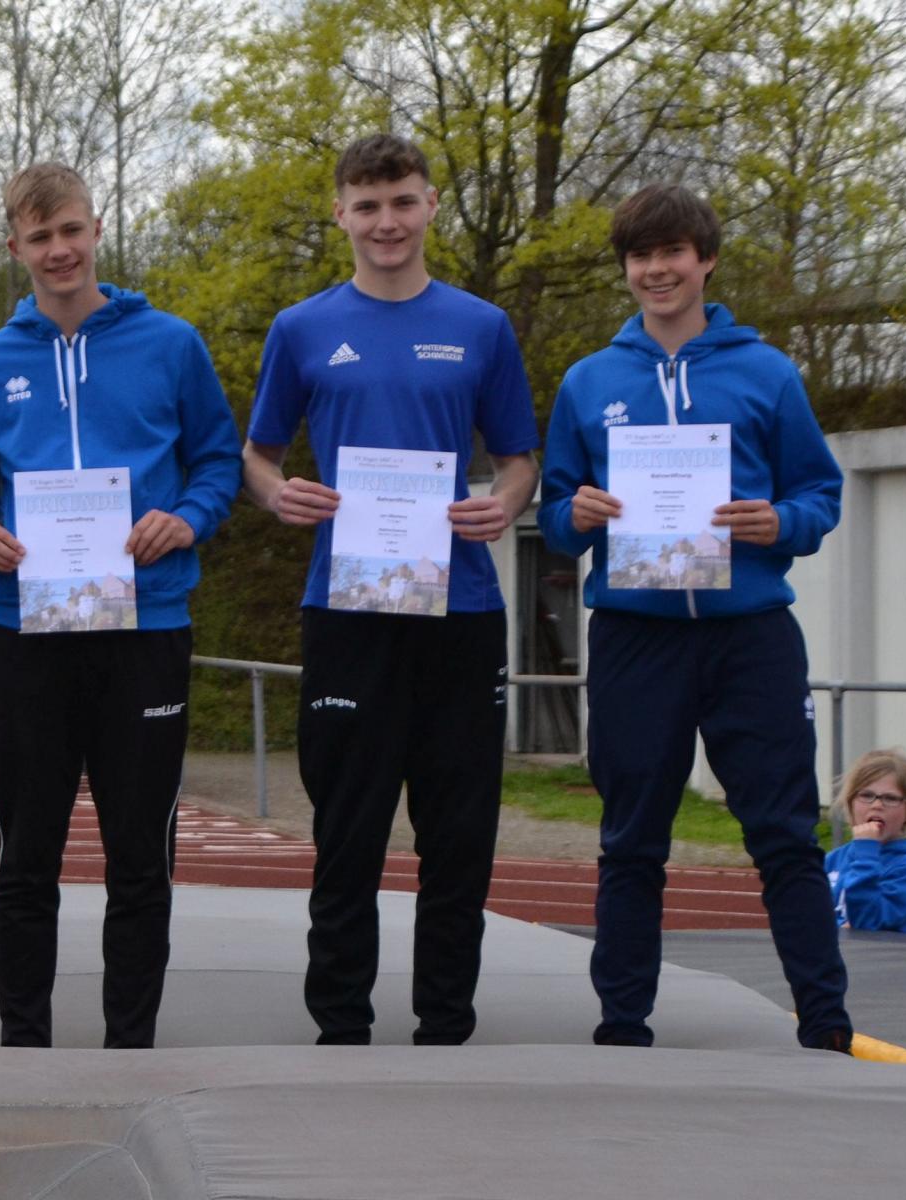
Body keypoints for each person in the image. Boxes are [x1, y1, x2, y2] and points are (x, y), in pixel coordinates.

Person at [539, 182, 853, 1050]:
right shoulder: (589, 381)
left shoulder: (767, 372)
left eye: (672, 252)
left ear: (705, 260)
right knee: (631, 838)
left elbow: (819, 494)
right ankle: (622, 1025)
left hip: (751, 637)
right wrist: (576, 515)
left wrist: (779, 522)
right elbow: (557, 513)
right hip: (636, 638)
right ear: (626, 269)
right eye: (640, 256)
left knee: (784, 834)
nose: (657, 270)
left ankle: (826, 1024)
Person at [241, 133, 539, 1047]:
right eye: (368, 206)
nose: (387, 222)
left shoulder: (483, 326)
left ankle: (447, 1022)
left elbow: (519, 460)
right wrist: (277, 494)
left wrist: (505, 503)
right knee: (349, 826)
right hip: (348, 610)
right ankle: (340, 1024)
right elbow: (257, 454)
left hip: (461, 612)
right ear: (340, 214)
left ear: (431, 205)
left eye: (403, 201)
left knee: (458, 831)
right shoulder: (301, 328)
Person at [0, 163, 241, 1049]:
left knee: (140, 858)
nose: (59, 250)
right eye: (40, 237)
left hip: (146, 630)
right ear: (15, 247)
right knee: (25, 859)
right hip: (31, 635)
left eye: (70, 229)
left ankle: (129, 1049)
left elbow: (216, 462)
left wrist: (187, 519)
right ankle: (24, 1047)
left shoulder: (171, 344)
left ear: (97, 228)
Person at [825, 750, 906, 934]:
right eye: (866, 795)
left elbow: (868, 925)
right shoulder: (833, 860)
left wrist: (866, 854)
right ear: (850, 803)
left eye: (890, 798)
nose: (877, 805)